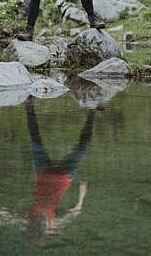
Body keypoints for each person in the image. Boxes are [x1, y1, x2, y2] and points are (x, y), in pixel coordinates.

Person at [25, 97, 94, 240]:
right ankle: (92, 111)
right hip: (63, 176)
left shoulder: (30, 219)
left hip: (43, 171)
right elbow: (75, 211)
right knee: (83, 147)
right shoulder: (53, 224)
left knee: (35, 138)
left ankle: (29, 105)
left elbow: (2, 214)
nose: (40, 219)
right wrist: (81, 194)